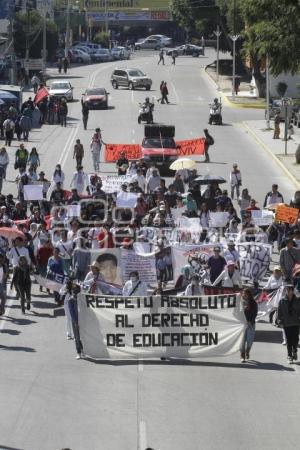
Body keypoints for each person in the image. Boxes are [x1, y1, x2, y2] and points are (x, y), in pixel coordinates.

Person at [278, 285, 300, 363]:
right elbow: (279, 311)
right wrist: (280, 320)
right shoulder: (282, 301)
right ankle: (289, 355)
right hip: (286, 323)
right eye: (287, 290)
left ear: (293, 291)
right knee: (289, 340)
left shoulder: (297, 300)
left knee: (296, 339)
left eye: (290, 290)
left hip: (296, 323)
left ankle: (295, 350)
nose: (288, 292)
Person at [240, 288, 258, 362]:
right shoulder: (239, 303)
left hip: (251, 324)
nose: (244, 295)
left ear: (249, 294)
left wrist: (250, 320)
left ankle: (247, 350)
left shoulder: (253, 302)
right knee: (242, 341)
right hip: (241, 325)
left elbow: (255, 313)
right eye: (243, 293)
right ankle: (242, 355)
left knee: (249, 340)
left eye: (246, 293)